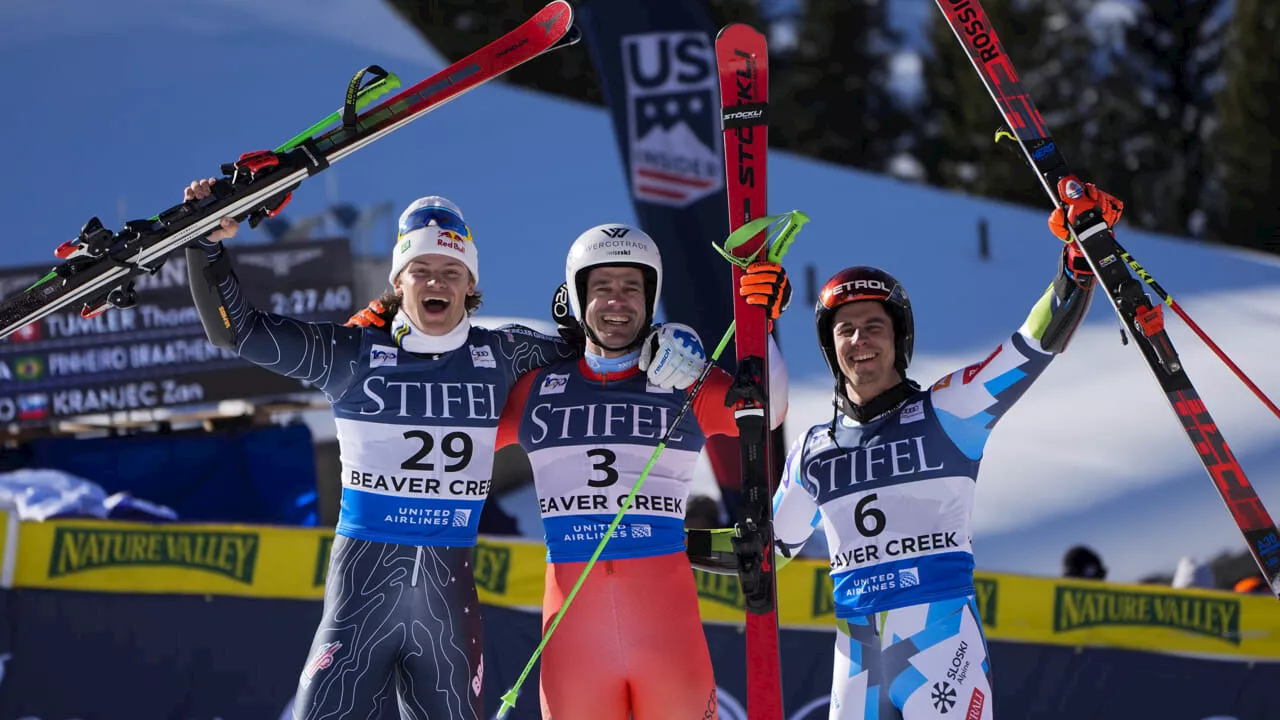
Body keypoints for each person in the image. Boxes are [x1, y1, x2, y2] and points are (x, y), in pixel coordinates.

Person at [181, 180, 703, 720]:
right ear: (398, 281)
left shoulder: (504, 352)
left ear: (470, 284)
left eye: (451, 272)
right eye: (422, 270)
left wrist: (672, 339)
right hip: (360, 602)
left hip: (446, 611)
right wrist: (206, 247)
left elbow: (602, 339)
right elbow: (236, 333)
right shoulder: (351, 354)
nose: (436, 282)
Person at [771, 183, 1123, 720]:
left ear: (899, 337)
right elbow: (766, 548)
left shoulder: (948, 409)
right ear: (829, 346)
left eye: (874, 326)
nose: (859, 340)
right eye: (845, 329)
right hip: (856, 663)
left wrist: (1076, 267)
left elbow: (1030, 347)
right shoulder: (812, 449)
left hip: (941, 650)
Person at [492, 223, 789, 720]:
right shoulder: (536, 389)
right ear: (576, 296)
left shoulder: (685, 382)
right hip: (574, 642)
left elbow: (770, 409)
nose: (617, 302)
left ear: (651, 298)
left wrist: (764, 321)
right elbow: (450, 428)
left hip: (666, 636)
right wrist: (387, 333)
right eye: (601, 287)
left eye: (632, 287)